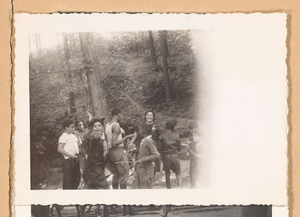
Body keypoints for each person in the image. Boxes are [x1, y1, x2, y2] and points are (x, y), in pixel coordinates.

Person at [104, 108, 134, 189]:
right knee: (124, 174)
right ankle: (122, 196)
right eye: (121, 115)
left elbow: (108, 140)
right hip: (118, 151)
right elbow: (114, 143)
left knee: (116, 174)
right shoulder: (116, 126)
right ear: (118, 115)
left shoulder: (107, 125)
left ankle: (115, 194)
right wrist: (127, 137)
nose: (122, 117)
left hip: (110, 153)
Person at [84, 118, 109, 190]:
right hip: (95, 166)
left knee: (93, 189)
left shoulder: (102, 138)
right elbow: (95, 137)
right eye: (95, 126)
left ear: (102, 127)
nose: (97, 127)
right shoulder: (94, 136)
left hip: (97, 165)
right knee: (104, 188)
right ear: (92, 128)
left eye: (99, 125)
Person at [57, 120, 81, 189]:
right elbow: (59, 149)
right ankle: (67, 193)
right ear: (66, 128)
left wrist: (78, 136)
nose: (74, 128)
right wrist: (70, 155)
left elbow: (79, 144)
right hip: (68, 160)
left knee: (77, 176)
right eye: (72, 127)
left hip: (75, 158)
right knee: (68, 178)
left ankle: (74, 190)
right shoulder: (63, 136)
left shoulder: (72, 135)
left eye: (74, 127)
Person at [159, 119, 182, 189]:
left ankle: (169, 188)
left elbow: (159, 148)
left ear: (166, 126)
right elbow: (179, 148)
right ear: (173, 127)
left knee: (167, 173)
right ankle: (180, 187)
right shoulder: (176, 136)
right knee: (178, 173)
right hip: (174, 156)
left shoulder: (161, 136)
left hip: (166, 156)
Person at [136, 124, 160, 189]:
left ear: (144, 132)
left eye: (140, 131)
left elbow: (156, 155)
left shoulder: (149, 141)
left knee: (146, 189)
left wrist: (143, 159)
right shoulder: (144, 141)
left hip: (147, 169)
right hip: (142, 168)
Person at [179, 121, 201, 188]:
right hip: (192, 151)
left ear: (196, 128)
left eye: (193, 129)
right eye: (190, 129)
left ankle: (198, 180)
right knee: (192, 167)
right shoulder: (188, 132)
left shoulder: (199, 133)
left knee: (200, 166)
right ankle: (193, 184)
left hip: (199, 150)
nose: (192, 130)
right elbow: (180, 135)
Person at [74, 120, 89, 188]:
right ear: (76, 127)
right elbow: (78, 145)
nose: (81, 126)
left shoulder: (87, 131)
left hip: (88, 151)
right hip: (80, 152)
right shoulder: (75, 134)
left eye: (82, 124)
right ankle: (83, 181)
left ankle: (89, 180)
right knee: (82, 167)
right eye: (79, 125)